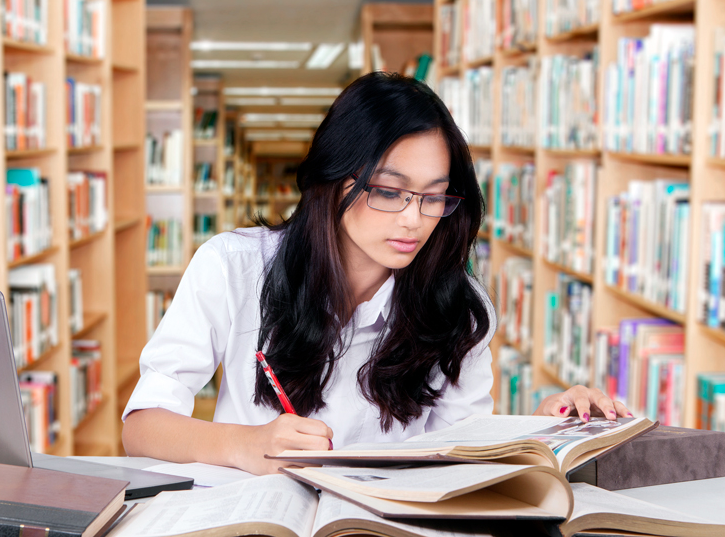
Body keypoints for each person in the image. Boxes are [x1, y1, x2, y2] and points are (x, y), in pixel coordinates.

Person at [122, 72, 630, 475]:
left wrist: (543, 432)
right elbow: (143, 427)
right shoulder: (233, 266)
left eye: (434, 197)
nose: (414, 218)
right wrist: (242, 444)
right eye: (389, 191)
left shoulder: (457, 308)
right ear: (334, 179)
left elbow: (463, 456)